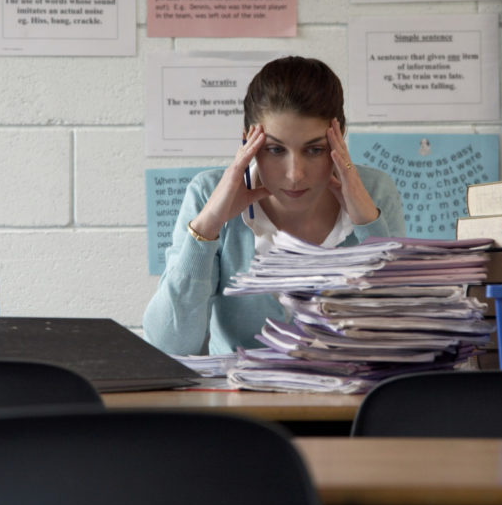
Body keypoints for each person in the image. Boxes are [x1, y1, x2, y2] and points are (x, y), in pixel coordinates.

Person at [143, 56, 406, 355]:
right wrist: (207, 227)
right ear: (248, 142)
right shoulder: (208, 193)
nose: (295, 174)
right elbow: (167, 346)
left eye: (315, 149)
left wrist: (370, 227)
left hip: (348, 397)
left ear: (339, 139)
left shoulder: (373, 190)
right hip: (239, 397)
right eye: (275, 150)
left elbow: (403, 336)